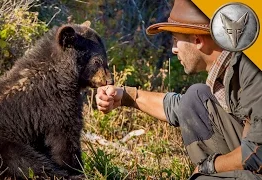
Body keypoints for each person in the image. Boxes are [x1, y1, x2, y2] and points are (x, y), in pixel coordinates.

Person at [95, 0, 262, 179]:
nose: (174, 49)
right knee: (195, 98)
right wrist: (126, 96)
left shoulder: (252, 70)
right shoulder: (230, 68)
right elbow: (181, 107)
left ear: (198, 40)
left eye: (175, 40)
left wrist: (208, 167)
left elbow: (258, 153)